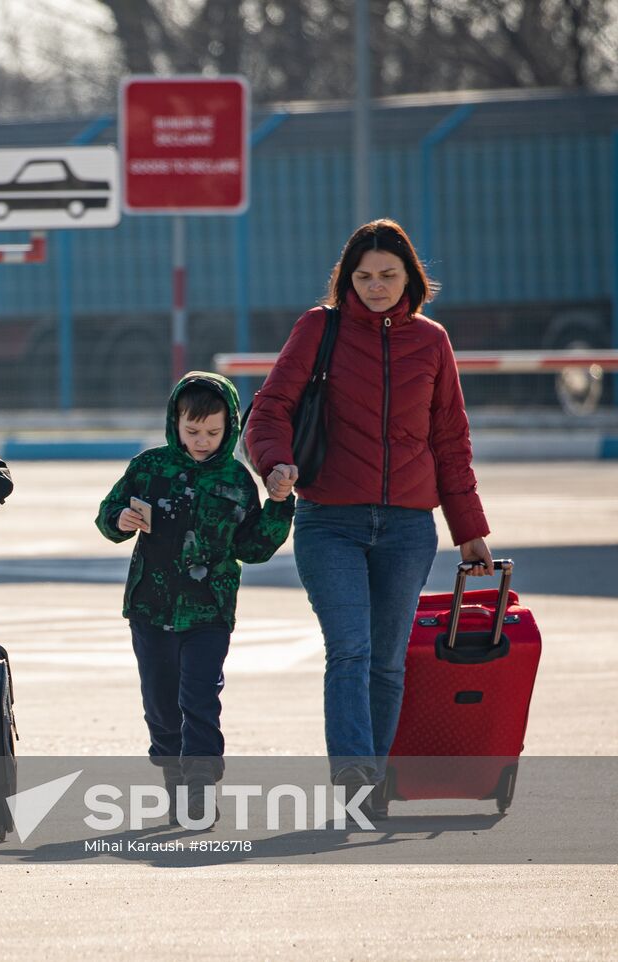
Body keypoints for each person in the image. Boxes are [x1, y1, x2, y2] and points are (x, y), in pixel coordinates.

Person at [244, 218, 492, 816]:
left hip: (408, 528)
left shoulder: (432, 342)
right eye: (363, 277)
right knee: (350, 650)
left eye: (387, 275)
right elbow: (270, 408)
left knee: (386, 660)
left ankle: (373, 785)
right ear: (346, 280)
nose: (375, 286)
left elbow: (450, 438)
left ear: (409, 276)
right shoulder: (318, 328)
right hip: (330, 521)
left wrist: (470, 530)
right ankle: (354, 774)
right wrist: (275, 464)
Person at [96, 372, 294, 824]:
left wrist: (281, 504)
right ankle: (174, 783)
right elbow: (107, 516)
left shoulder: (237, 480)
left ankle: (201, 789)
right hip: (150, 610)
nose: (202, 440)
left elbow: (254, 548)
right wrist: (121, 519)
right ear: (175, 422)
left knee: (199, 702)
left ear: (230, 428)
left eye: (212, 432)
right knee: (162, 709)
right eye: (192, 431)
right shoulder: (148, 468)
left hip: (209, 613)